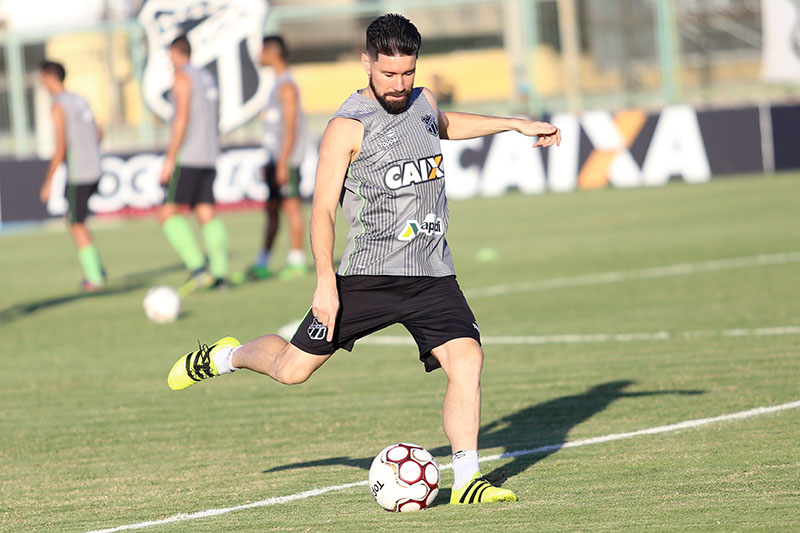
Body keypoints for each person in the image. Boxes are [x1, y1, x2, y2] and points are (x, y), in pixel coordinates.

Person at [166, 14, 560, 505]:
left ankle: (467, 481)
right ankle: (224, 356)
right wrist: (325, 283)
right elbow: (323, 211)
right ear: (366, 62)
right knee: (292, 369)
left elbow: (444, 125)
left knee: (468, 360)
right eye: (389, 74)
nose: (399, 84)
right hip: (368, 277)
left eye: (407, 73)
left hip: (433, 275)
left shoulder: (422, 101)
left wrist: (515, 125)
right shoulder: (346, 126)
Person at [159, 35, 229, 291]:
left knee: (167, 213)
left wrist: (169, 158)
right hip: (209, 154)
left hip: (188, 155)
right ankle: (220, 275)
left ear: (176, 54)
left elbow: (181, 118)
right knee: (206, 212)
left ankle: (198, 267)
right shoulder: (207, 77)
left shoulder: (182, 75)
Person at [38, 61, 106, 292]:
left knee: (76, 224)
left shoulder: (58, 105)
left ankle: (95, 277)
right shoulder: (80, 99)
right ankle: (96, 268)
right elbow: (99, 131)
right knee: (76, 220)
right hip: (95, 166)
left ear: (48, 77)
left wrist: (48, 182)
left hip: (79, 172)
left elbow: (61, 145)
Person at [248, 35, 309, 281]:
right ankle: (263, 261)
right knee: (272, 209)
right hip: (276, 160)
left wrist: (283, 162)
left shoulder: (286, 86)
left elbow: (291, 127)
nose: (258, 56)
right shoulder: (276, 85)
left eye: (262, 50)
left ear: (273, 52)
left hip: (288, 160)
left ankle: (297, 260)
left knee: (292, 206)